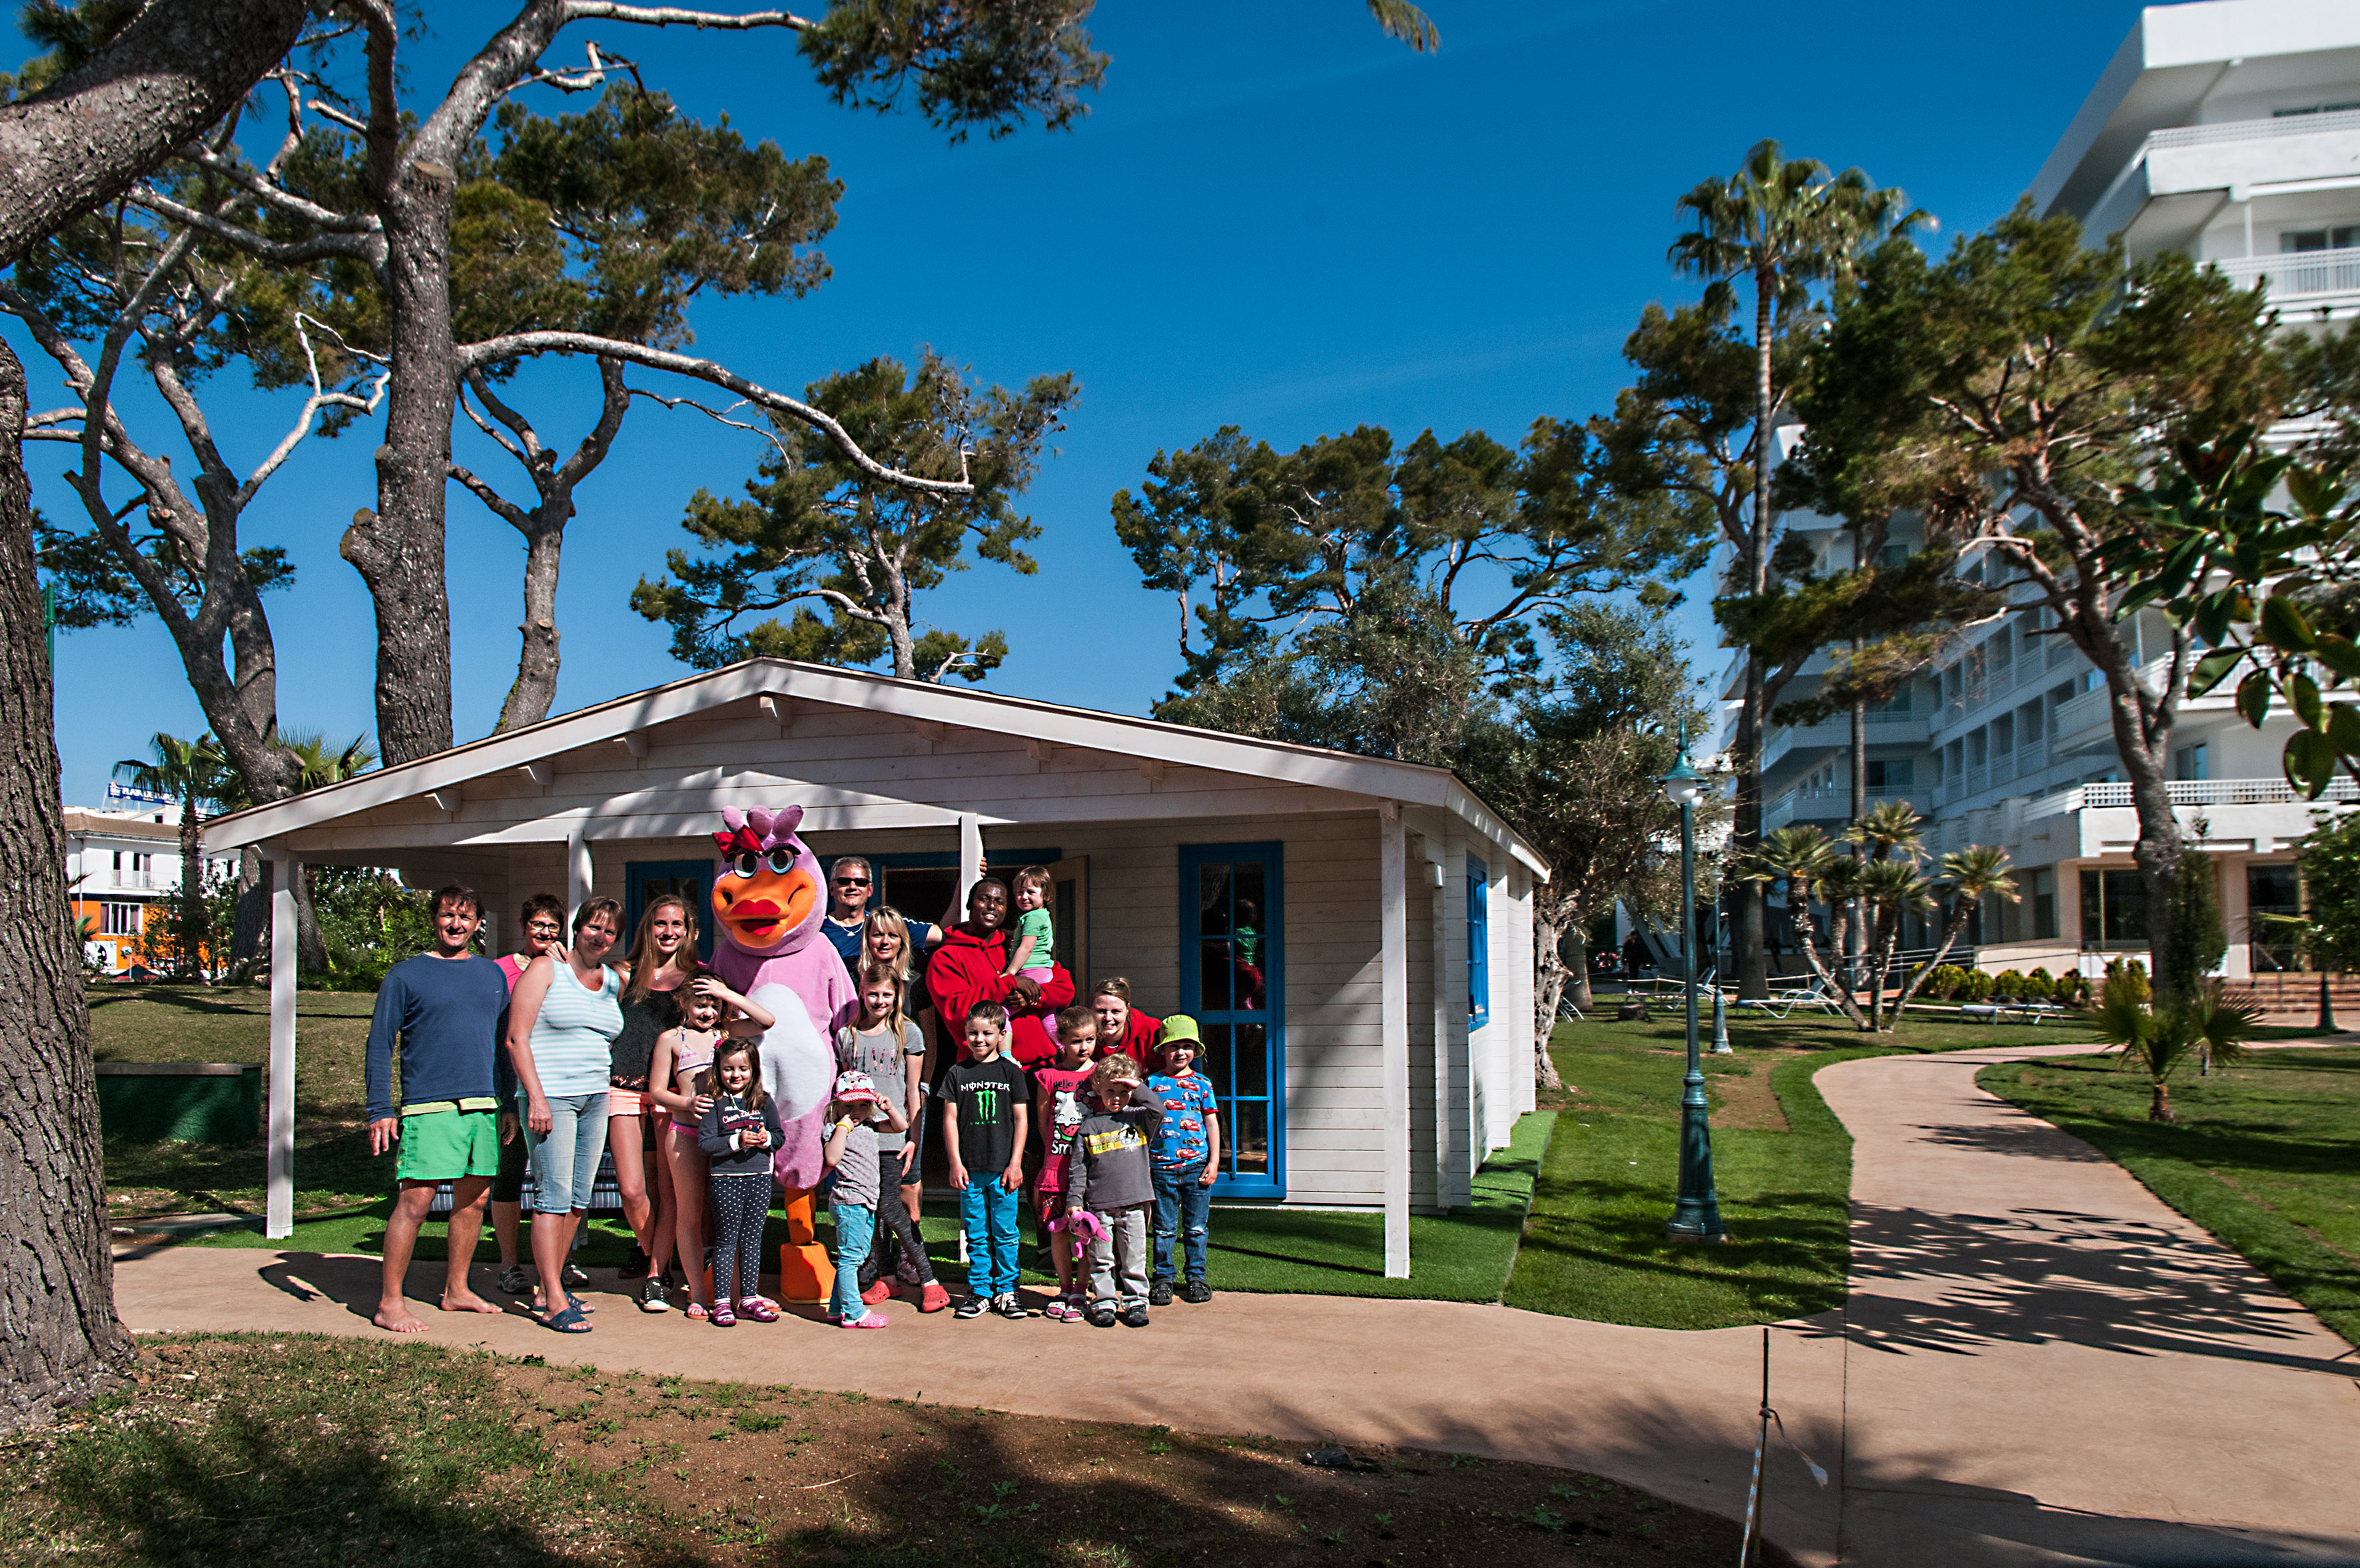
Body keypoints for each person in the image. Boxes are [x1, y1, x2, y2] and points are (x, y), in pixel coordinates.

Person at [363, 883, 512, 1334]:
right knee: (416, 1201)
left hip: (483, 1103)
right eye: (448, 915)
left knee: (475, 1200)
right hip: (428, 1106)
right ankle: (390, 1303)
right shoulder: (404, 976)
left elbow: (503, 1045)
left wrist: (506, 1101)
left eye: (465, 917)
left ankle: (457, 1290)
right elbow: (378, 1044)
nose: (456, 924)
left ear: (477, 924)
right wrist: (379, 1109)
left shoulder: (491, 975)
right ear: (434, 919)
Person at [504, 896, 626, 1333]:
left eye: (609, 931)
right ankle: (553, 1300)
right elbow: (517, 1039)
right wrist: (534, 1098)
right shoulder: (545, 969)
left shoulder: (612, 980)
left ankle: (548, 1285)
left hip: (597, 1096)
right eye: (593, 926)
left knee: (577, 1199)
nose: (600, 936)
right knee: (552, 1198)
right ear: (577, 928)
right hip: (551, 1098)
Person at [649, 969, 773, 1321]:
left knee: (729, 1220)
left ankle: (737, 1295)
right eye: (700, 1004)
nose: (707, 1012)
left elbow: (766, 1021)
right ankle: (699, 1294)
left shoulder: (726, 1033)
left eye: (713, 1004)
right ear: (683, 1003)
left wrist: (728, 993)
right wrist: (686, 1103)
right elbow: (657, 1090)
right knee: (689, 1214)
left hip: (727, 1140)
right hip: (686, 1135)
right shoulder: (671, 1040)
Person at [838, 963, 948, 1313]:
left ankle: (930, 1280)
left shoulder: (908, 1033)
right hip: (861, 1138)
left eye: (887, 994)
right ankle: (888, 1279)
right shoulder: (847, 1036)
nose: (879, 1000)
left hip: (895, 1134)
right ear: (861, 994)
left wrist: (914, 1137)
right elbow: (844, 1090)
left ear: (897, 995)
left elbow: (913, 1091)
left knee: (889, 1205)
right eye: (873, 994)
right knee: (870, 1209)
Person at [610, 895, 699, 1306]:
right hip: (623, 1089)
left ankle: (654, 1274)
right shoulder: (623, 974)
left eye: (677, 925)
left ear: (689, 931)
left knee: (668, 1191)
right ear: (648, 928)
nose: (668, 932)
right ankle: (657, 1259)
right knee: (632, 1190)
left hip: (669, 1095)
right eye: (660, 924)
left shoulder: (696, 979)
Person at [490, 893, 565, 1298]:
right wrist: (505, 1099)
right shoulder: (501, 970)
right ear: (524, 926)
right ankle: (509, 1264)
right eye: (538, 924)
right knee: (511, 1172)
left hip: (558, 1086)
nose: (545, 932)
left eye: (552, 926)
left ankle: (559, 1263)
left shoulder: (567, 969)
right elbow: (497, 1035)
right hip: (513, 1086)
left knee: (558, 1179)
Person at [862, 904, 939, 1282]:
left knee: (909, 1176)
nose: (885, 941)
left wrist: (922, 1088)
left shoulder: (918, 983)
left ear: (903, 941)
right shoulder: (858, 980)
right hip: (867, 1100)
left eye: (893, 934)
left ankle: (912, 1254)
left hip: (908, 1095)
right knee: (870, 1180)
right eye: (878, 934)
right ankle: (878, 1258)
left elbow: (930, 1039)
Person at [927, 876, 1074, 1068]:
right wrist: (1008, 984)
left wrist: (1032, 996)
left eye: (999, 902)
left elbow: (1065, 990)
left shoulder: (1017, 945)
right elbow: (955, 1010)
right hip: (986, 1069)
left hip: (1040, 1066)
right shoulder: (947, 956)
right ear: (970, 904)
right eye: (984, 899)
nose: (991, 906)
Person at [943, 999, 1030, 1320]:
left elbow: (1021, 1120)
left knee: (1006, 1232)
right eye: (972, 1033)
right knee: (976, 1232)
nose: (978, 1040)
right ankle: (980, 1291)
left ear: (1001, 1034)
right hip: (970, 1169)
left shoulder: (1011, 1073)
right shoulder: (957, 1073)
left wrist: (1015, 1163)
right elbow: (950, 1119)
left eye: (986, 1033)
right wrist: (955, 1162)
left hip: (1003, 1169)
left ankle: (1007, 1291)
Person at [1064, 1052, 1163, 1329]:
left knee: (1134, 1258)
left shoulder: (1140, 1118)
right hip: (1099, 1206)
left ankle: (1135, 1303)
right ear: (1098, 1088)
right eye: (1111, 1090)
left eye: (1124, 1092)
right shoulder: (1090, 1126)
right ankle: (1104, 1302)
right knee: (1101, 1258)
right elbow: (1078, 1169)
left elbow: (1159, 1109)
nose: (1117, 1097)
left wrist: (1136, 1085)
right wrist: (1075, 1201)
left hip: (1135, 1202)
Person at [695, 1040, 786, 1327]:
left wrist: (766, 1139)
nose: (736, 1075)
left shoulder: (764, 1101)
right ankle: (721, 1302)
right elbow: (706, 1143)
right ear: (718, 1070)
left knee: (752, 1241)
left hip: (759, 1179)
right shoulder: (715, 1102)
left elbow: (779, 1136)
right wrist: (737, 1141)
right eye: (728, 1069)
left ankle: (748, 1299)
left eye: (743, 1069)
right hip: (725, 1181)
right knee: (726, 1241)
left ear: (754, 1070)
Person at [821, 1067, 908, 1330]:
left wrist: (889, 1108)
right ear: (837, 1105)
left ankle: (837, 1309)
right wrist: (842, 1127)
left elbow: (900, 1126)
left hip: (864, 1202)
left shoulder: (870, 1125)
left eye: (863, 1105)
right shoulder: (835, 1129)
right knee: (851, 1259)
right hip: (850, 1203)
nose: (856, 1112)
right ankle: (854, 1312)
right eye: (850, 1106)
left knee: (852, 1258)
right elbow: (832, 1158)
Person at [1145, 1014, 1221, 1306]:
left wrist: (1214, 1162)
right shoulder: (1152, 1083)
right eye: (1174, 1046)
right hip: (1160, 1168)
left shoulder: (1203, 1084)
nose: (1180, 1052)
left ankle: (1196, 1277)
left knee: (1196, 1228)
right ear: (1163, 1050)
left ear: (1196, 1050)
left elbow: (1212, 1124)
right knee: (1164, 1228)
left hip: (1196, 1168)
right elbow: (1142, 1124)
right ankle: (1163, 1278)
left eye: (1187, 1046)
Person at [1030, 1004, 1099, 1322]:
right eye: (1076, 1041)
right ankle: (1063, 1287)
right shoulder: (1048, 1076)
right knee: (1059, 1230)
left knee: (1085, 1231)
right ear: (1062, 1040)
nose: (1083, 1047)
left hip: (1091, 1170)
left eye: (1089, 1040)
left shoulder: (1101, 1074)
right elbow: (1044, 1121)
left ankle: (1081, 1291)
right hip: (1057, 1167)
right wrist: (1054, 1155)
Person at [1088, 978, 1162, 1066]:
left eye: (1116, 1011)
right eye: (1101, 1011)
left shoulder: (1151, 1031)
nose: (1108, 1018)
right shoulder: (1082, 1034)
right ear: (1091, 1008)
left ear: (1127, 1009)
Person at [1004, 865, 1056, 981]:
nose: (1024, 896)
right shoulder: (1041, 914)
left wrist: (1009, 973)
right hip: (1040, 970)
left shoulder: (1034, 917)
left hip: (1031, 971)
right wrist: (1007, 933)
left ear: (1046, 895)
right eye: (1020, 892)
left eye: (1031, 892)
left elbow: (1027, 947)